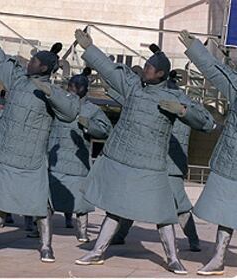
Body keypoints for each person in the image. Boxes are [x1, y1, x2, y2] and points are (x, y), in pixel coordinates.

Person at [73, 29, 215, 274]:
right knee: (116, 209)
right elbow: (111, 69)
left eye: (149, 66)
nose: (145, 68)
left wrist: (182, 111)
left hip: (152, 165)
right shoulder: (133, 86)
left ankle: (173, 259)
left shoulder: (175, 96)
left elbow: (206, 121)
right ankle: (97, 252)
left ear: (160, 73)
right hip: (125, 160)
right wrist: (90, 49)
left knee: (164, 214)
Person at [0, 15, 79, 263]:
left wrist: (50, 93)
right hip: (6, 153)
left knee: (38, 204)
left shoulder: (55, 93)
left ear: (44, 68)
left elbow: (70, 113)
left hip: (32, 159)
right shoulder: (16, 80)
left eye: (34, 60)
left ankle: (46, 246)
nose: (29, 62)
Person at [111, 71, 202, 253]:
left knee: (179, 205)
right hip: (160, 163)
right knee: (139, 200)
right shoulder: (186, 105)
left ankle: (194, 240)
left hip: (168, 165)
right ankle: (119, 235)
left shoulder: (177, 106)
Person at [179, 29, 237, 276]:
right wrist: (196, 50)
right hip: (232, 161)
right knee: (226, 212)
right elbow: (216, 71)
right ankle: (218, 258)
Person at [48, 68, 112, 242]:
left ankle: (82, 231)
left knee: (81, 203)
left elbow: (106, 130)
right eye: (70, 85)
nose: (72, 89)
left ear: (85, 89)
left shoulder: (92, 110)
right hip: (55, 159)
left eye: (76, 86)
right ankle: (42, 230)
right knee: (48, 199)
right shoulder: (59, 104)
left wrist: (88, 124)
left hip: (78, 162)